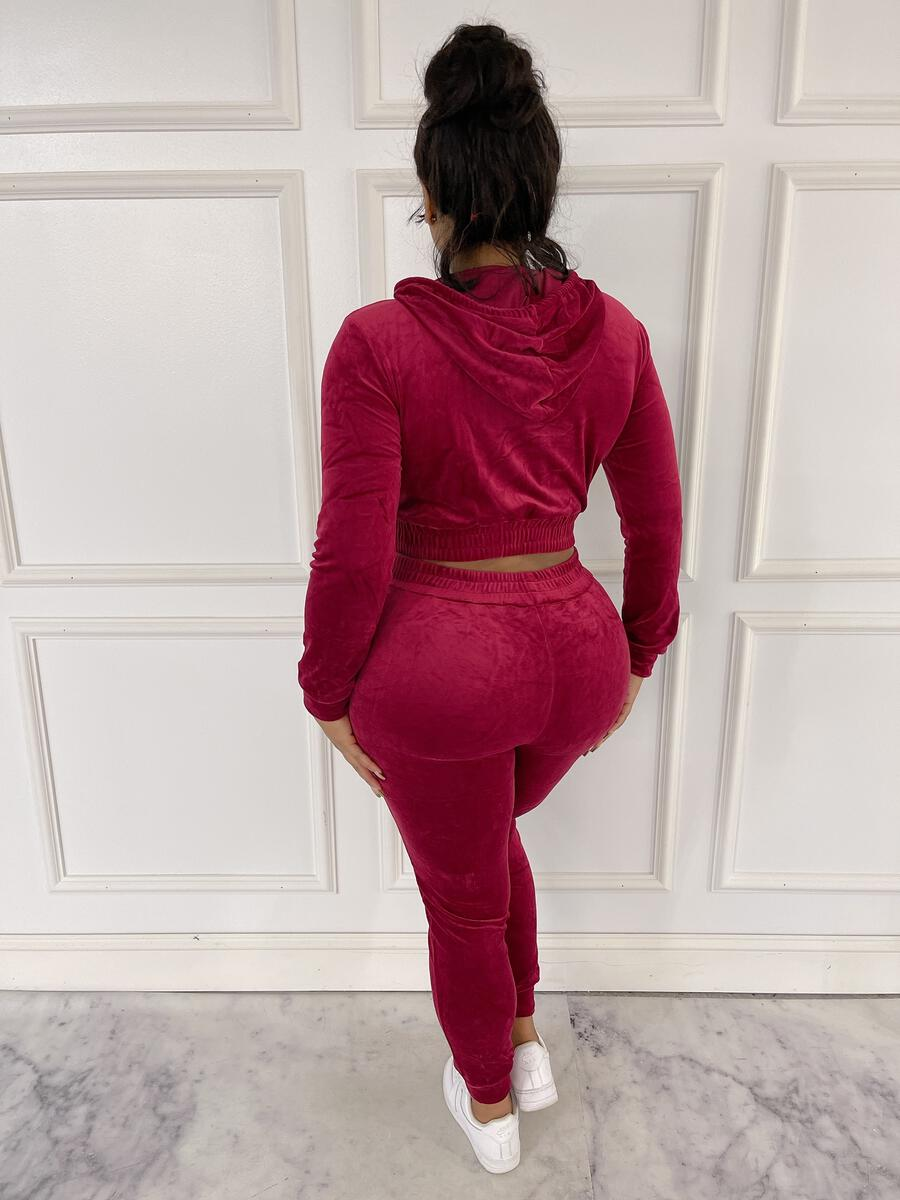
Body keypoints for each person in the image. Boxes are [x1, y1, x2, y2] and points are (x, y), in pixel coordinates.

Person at [297, 21, 683, 1174]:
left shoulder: (377, 344)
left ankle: (490, 1111)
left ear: (433, 196)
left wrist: (325, 693)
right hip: (575, 661)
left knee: (459, 894)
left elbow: (352, 550)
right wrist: (638, 653)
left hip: (441, 672)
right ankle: (521, 1040)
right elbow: (657, 521)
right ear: (539, 187)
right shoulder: (617, 334)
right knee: (483, 842)